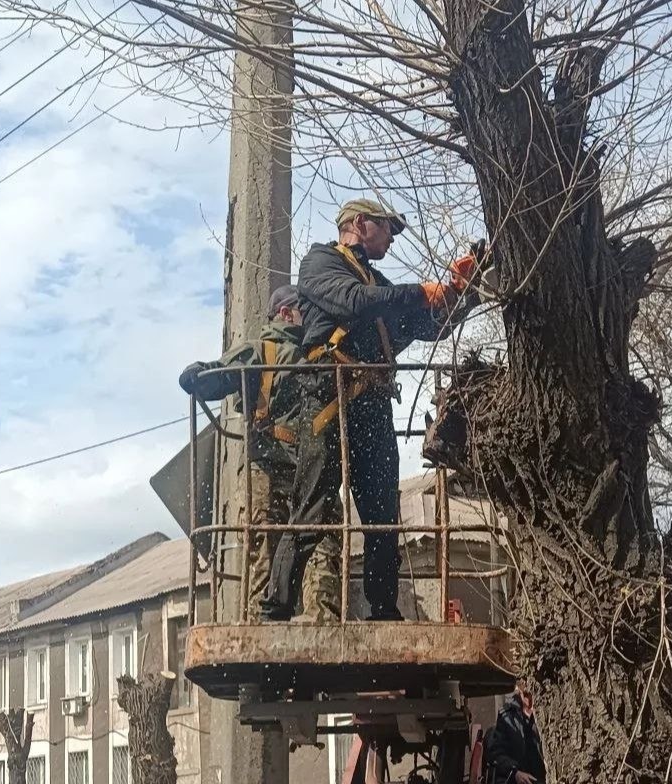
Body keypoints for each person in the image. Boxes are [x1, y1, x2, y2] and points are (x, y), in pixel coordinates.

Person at [261, 198, 480, 621]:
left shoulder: (375, 282)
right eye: (387, 229)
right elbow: (356, 301)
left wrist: (458, 293)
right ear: (360, 223)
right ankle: (277, 607)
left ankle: (383, 607)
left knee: (381, 512)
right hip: (328, 398)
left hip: (372, 405)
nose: (392, 240)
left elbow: (425, 326)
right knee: (312, 507)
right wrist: (420, 292)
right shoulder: (320, 264)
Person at [179, 285, 341, 621]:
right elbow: (218, 374)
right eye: (304, 310)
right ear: (285, 314)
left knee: (324, 547)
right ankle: (263, 626)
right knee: (264, 549)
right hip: (270, 467)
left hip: (315, 472)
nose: (312, 317)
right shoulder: (261, 352)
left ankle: (325, 624)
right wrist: (198, 375)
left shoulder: (324, 353)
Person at [486, 683, 546, 784]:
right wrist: (515, 772)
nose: (530, 701)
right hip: (516, 778)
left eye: (532, 694)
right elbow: (497, 753)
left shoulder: (547, 715)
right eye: (526, 695)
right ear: (519, 691)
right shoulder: (507, 716)